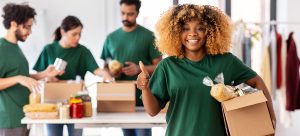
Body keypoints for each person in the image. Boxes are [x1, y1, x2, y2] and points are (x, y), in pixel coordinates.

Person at [137, 4, 276, 136]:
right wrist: (145, 88)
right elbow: (152, 111)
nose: (192, 33)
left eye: (200, 28)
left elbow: (257, 82)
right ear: (176, 32)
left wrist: (271, 118)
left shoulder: (226, 61)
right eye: (185, 28)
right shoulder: (167, 66)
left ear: (210, 31)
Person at [33, 15, 112, 136]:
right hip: (53, 103)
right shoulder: (48, 49)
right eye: (74, 34)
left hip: (76, 103)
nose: (78, 38)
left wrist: (106, 74)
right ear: (62, 32)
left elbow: (96, 70)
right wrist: (48, 77)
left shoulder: (83, 51)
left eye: (80, 34)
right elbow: (38, 75)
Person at [101, 0, 162, 135]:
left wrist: (139, 69)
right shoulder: (111, 38)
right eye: (123, 13)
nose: (125, 18)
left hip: (144, 96)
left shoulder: (148, 36)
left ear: (137, 13)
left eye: (130, 14)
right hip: (121, 96)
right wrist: (112, 73)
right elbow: (104, 68)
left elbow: (160, 66)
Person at [0, 3, 62, 136]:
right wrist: (18, 78)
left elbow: (21, 76)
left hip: (22, 117)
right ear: (14, 24)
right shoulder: (1, 48)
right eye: (27, 27)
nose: (30, 31)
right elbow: (18, 78)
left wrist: (44, 73)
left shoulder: (15, 48)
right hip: (8, 121)